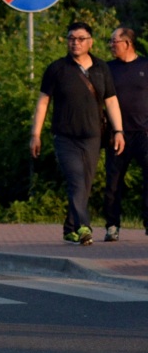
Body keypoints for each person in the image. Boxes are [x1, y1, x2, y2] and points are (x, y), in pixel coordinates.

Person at [31, 22, 126, 245]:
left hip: (92, 136)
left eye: (80, 38)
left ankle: (69, 229)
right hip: (65, 136)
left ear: (90, 42)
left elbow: (111, 101)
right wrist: (35, 134)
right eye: (71, 38)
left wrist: (119, 131)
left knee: (86, 183)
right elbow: (43, 102)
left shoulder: (102, 68)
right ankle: (84, 226)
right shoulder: (57, 69)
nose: (75, 42)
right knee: (76, 180)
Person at [104, 27, 148, 242]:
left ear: (128, 43)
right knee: (113, 181)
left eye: (115, 41)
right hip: (118, 134)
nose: (111, 45)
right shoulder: (107, 68)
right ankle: (112, 226)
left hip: (144, 134)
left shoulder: (145, 66)